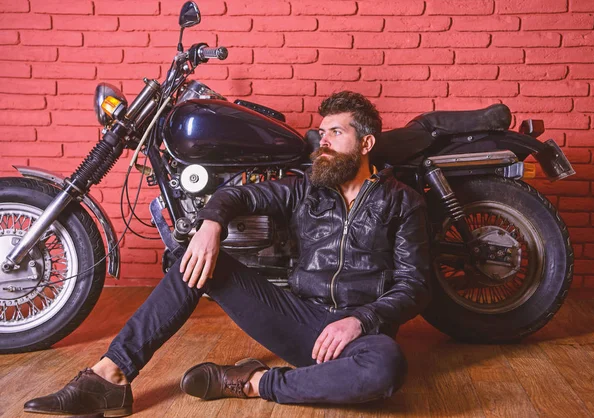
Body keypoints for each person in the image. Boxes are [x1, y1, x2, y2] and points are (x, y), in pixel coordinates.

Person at [24, 91, 431, 417]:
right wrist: (211, 225)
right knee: (194, 258)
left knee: (385, 368)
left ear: (366, 144)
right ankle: (108, 377)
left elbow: (414, 285)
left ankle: (254, 383)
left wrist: (360, 320)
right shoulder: (305, 188)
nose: (322, 142)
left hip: (359, 334)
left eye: (336, 133)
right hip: (300, 320)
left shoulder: (402, 202)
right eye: (321, 133)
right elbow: (238, 193)